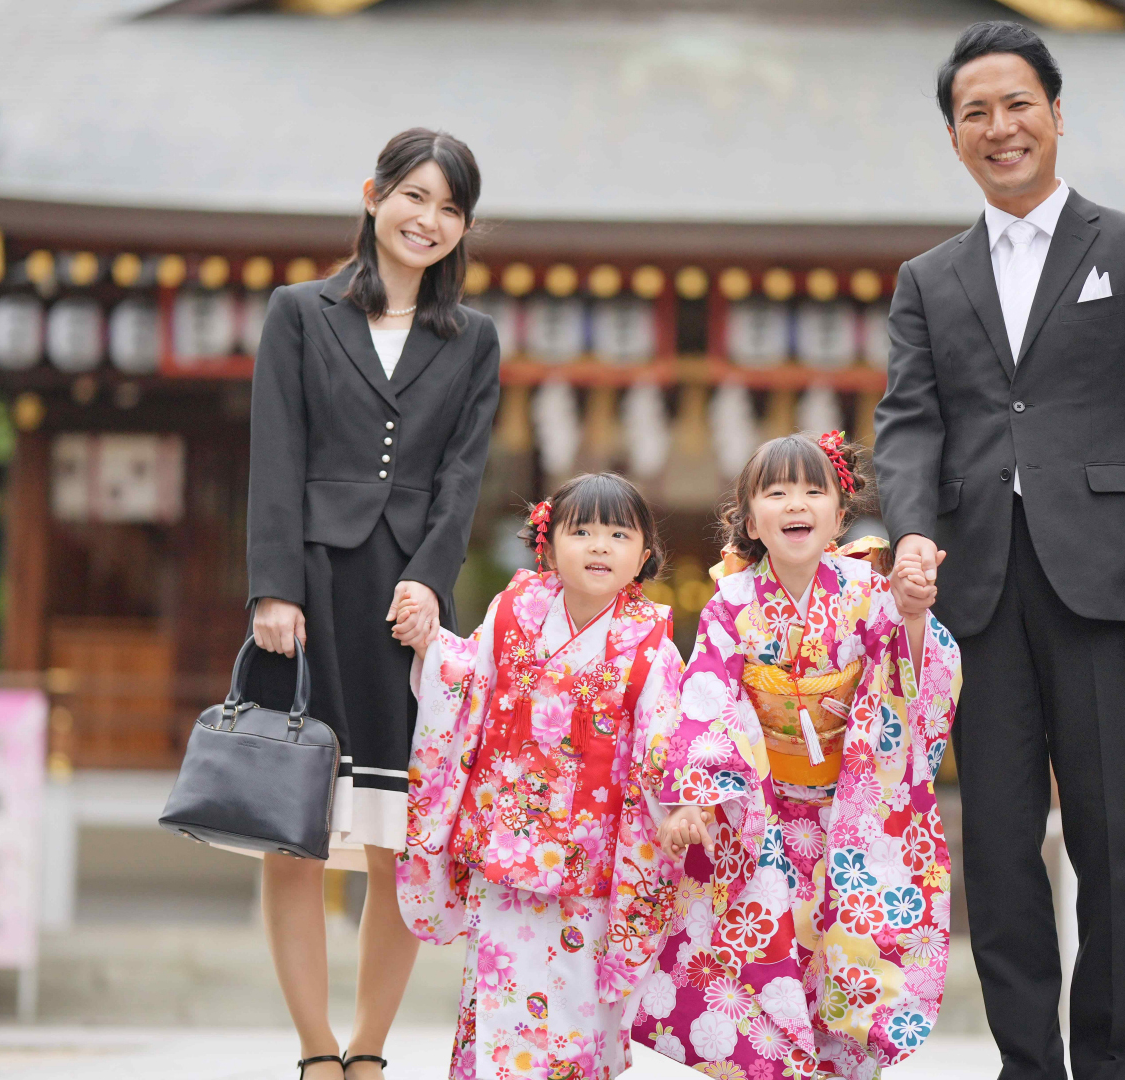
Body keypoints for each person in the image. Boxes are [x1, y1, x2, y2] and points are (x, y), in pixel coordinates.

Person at [872, 22, 1125, 1080]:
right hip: (977, 594)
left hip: (1108, 583)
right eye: (976, 112)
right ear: (953, 136)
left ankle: (1117, 1066)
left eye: (1018, 104)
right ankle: (1030, 1063)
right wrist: (912, 532)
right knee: (1001, 845)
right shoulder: (928, 279)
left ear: (1056, 115)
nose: (1000, 127)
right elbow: (910, 423)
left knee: (1111, 841)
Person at [245, 127, 498, 1080]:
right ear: (372, 195)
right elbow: (274, 454)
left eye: (449, 208)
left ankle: (369, 1052)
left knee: (400, 839)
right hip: (306, 591)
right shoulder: (298, 313)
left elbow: (462, 477)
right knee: (295, 834)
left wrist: (432, 581)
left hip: (406, 609)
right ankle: (314, 1051)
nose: (428, 221)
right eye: (414, 197)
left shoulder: (472, 339)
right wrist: (271, 586)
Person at [635, 433, 964, 1080]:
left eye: (816, 491)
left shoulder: (868, 590)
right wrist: (696, 796)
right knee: (765, 980)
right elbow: (708, 696)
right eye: (777, 491)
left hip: (848, 820)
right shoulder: (731, 603)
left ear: (841, 515)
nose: (797, 503)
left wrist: (913, 614)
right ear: (750, 517)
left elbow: (911, 672)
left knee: (842, 976)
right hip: (762, 826)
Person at [394, 473, 686, 1080]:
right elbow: (469, 682)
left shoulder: (653, 643)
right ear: (549, 546)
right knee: (503, 989)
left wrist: (682, 804)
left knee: (580, 1004)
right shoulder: (512, 612)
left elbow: (665, 741)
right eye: (581, 532)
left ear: (645, 553)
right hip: (508, 847)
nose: (600, 545)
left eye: (618, 533)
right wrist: (431, 647)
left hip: (594, 859)